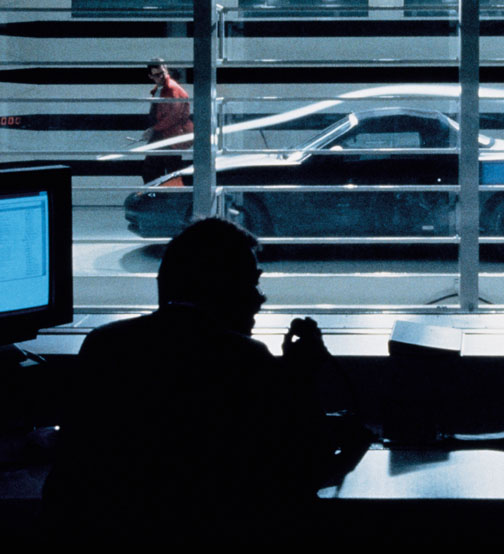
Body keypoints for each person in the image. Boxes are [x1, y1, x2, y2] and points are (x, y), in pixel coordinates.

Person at [40, 218, 348, 543]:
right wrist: (300, 383)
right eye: (250, 284)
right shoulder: (245, 360)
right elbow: (305, 467)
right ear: (220, 290)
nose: (260, 299)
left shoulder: (103, 345)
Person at [141, 58, 194, 184]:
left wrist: (154, 129)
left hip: (170, 135)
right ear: (151, 76)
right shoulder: (161, 89)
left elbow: (174, 116)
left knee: (158, 170)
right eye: (157, 75)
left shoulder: (171, 89)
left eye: (163, 73)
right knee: (165, 170)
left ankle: (158, 196)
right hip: (166, 135)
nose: (162, 77)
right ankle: (163, 195)